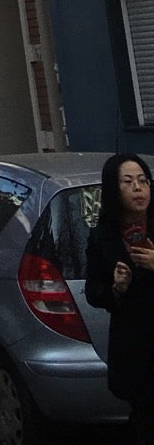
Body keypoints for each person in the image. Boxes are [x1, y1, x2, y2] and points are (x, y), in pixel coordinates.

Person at [86, 152, 154, 442]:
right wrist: (118, 288)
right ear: (114, 190)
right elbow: (93, 292)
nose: (138, 188)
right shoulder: (103, 237)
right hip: (137, 349)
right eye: (128, 182)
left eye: (143, 181)